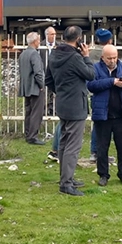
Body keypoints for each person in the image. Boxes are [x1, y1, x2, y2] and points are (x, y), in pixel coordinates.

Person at [45, 26, 95, 196]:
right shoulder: (75, 57)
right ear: (79, 39)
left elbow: (48, 80)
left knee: (64, 144)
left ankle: (66, 177)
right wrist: (87, 57)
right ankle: (66, 184)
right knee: (73, 146)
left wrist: (61, 91)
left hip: (62, 103)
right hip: (76, 106)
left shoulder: (54, 54)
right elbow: (90, 74)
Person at [87, 44, 122, 186]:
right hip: (103, 115)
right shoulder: (95, 68)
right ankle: (103, 175)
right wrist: (111, 82)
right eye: (109, 58)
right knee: (102, 148)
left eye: (115, 57)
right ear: (102, 57)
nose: (112, 60)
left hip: (121, 115)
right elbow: (91, 85)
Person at [88, 29, 114, 161]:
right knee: (103, 125)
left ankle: (95, 152)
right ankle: (99, 152)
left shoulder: (91, 53)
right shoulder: (106, 53)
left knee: (98, 123)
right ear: (109, 40)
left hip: (94, 92)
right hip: (105, 92)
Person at [18, 31, 46, 145]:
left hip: (25, 87)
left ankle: (28, 133)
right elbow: (38, 72)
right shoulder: (34, 54)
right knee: (36, 112)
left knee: (28, 112)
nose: (39, 42)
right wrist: (41, 85)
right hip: (35, 87)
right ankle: (33, 136)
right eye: (39, 40)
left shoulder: (23, 54)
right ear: (35, 41)